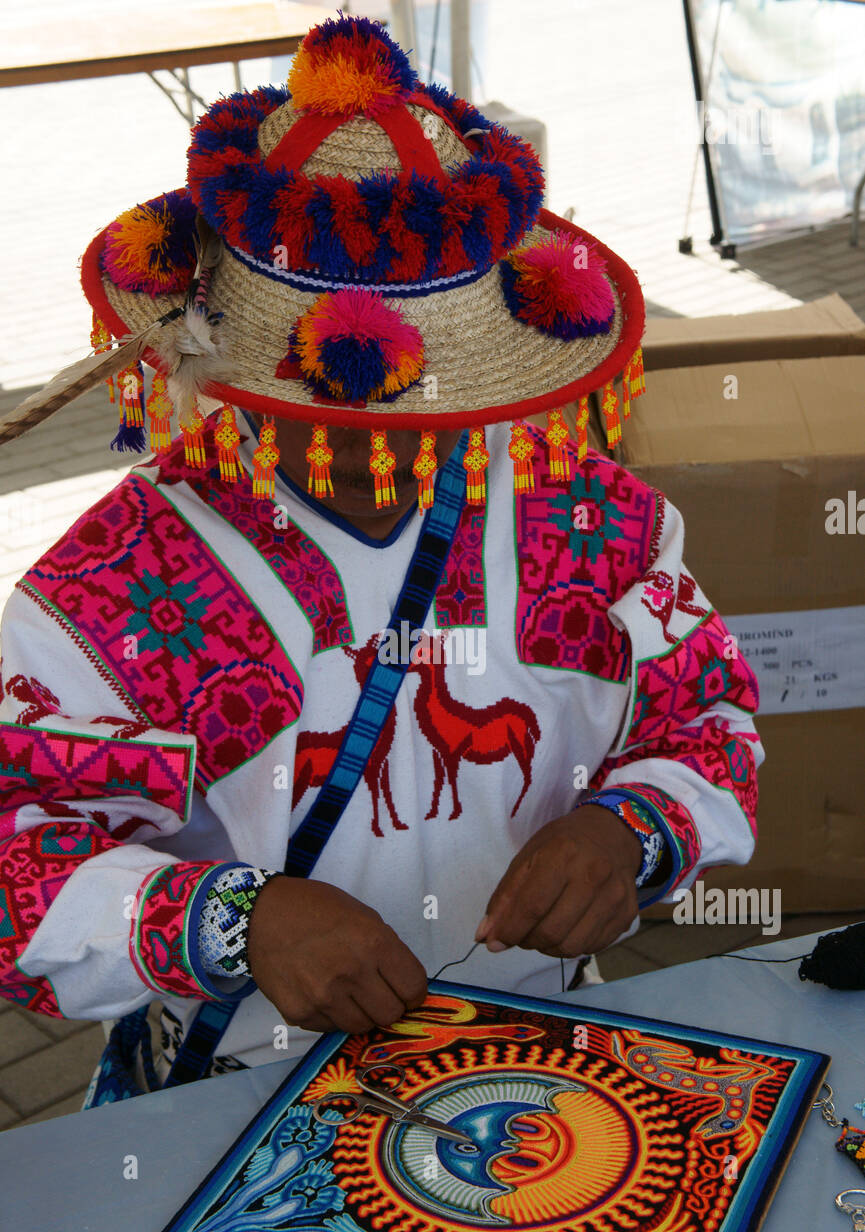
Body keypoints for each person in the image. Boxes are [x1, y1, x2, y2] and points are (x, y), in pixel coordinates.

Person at [0, 15, 761, 1094]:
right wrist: (231, 918)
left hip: (529, 1063)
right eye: (311, 398)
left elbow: (708, 719)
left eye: (413, 397)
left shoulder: (596, 522)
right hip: (227, 1099)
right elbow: (13, 849)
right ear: (217, 351)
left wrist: (631, 830)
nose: (367, 434)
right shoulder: (120, 584)